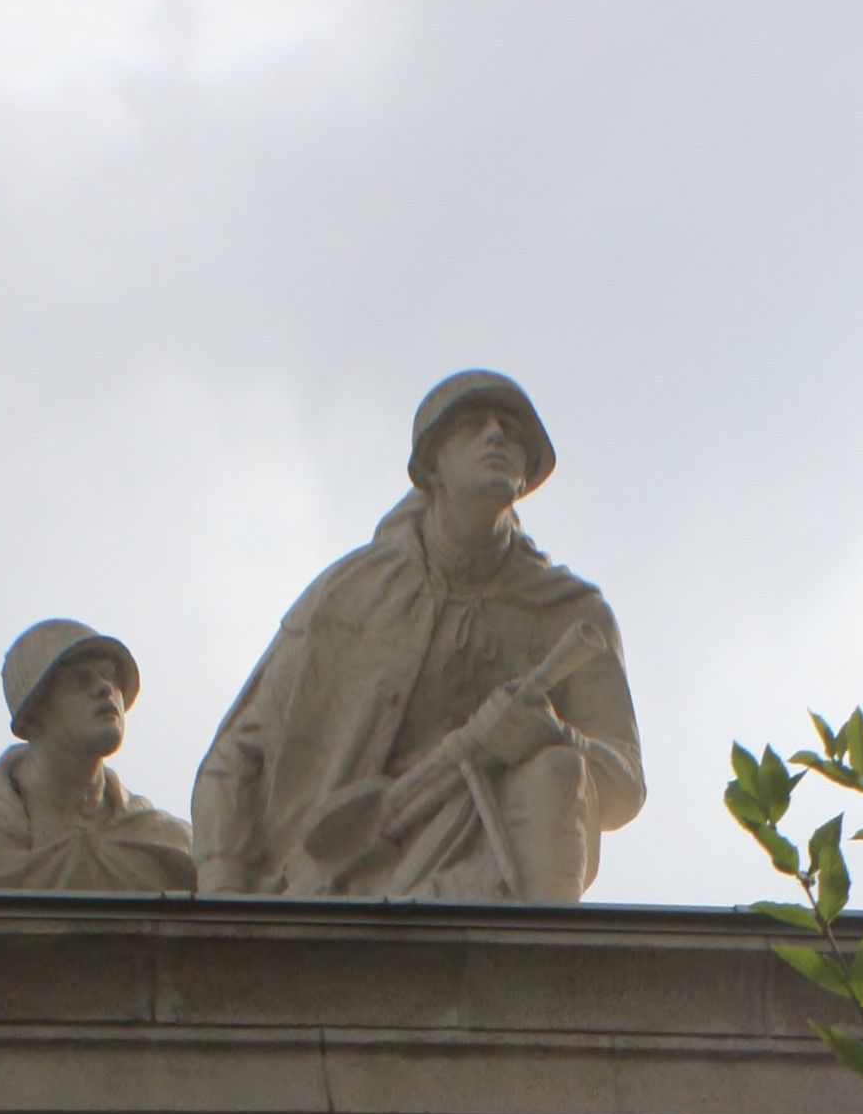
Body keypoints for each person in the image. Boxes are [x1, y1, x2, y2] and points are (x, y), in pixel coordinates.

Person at [189, 372, 644, 903]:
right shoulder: (349, 595)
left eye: (514, 433)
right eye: (473, 425)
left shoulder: (571, 612)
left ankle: (539, 971)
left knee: (557, 771)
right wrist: (221, 896)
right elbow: (240, 749)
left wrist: (552, 735)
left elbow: (625, 786)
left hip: (497, 868)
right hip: (338, 877)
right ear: (431, 465)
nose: (497, 437)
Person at [0, 619, 195, 892]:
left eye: (110, 675)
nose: (105, 688)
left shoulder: (163, 842)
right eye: (78, 679)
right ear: (34, 714)